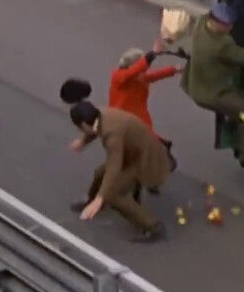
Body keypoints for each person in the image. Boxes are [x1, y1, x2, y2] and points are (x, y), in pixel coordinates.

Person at [69, 101, 171, 243]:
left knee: (113, 195)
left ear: (84, 125)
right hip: (133, 152)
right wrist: (82, 142)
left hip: (144, 161)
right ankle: (91, 201)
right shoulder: (98, 114)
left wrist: (101, 197)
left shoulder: (112, 135)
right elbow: (93, 129)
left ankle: (153, 227)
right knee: (99, 173)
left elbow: (113, 167)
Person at [185, 2, 244, 167]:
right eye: (227, 25)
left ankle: (234, 124)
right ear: (218, 23)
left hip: (197, 86)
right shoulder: (220, 45)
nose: (230, 28)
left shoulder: (201, 22)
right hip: (213, 94)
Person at [108, 35, 184, 173]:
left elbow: (153, 75)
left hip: (138, 118)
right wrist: (152, 53)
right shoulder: (119, 77)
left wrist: (174, 69)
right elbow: (137, 70)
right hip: (124, 119)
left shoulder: (138, 77)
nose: (145, 69)